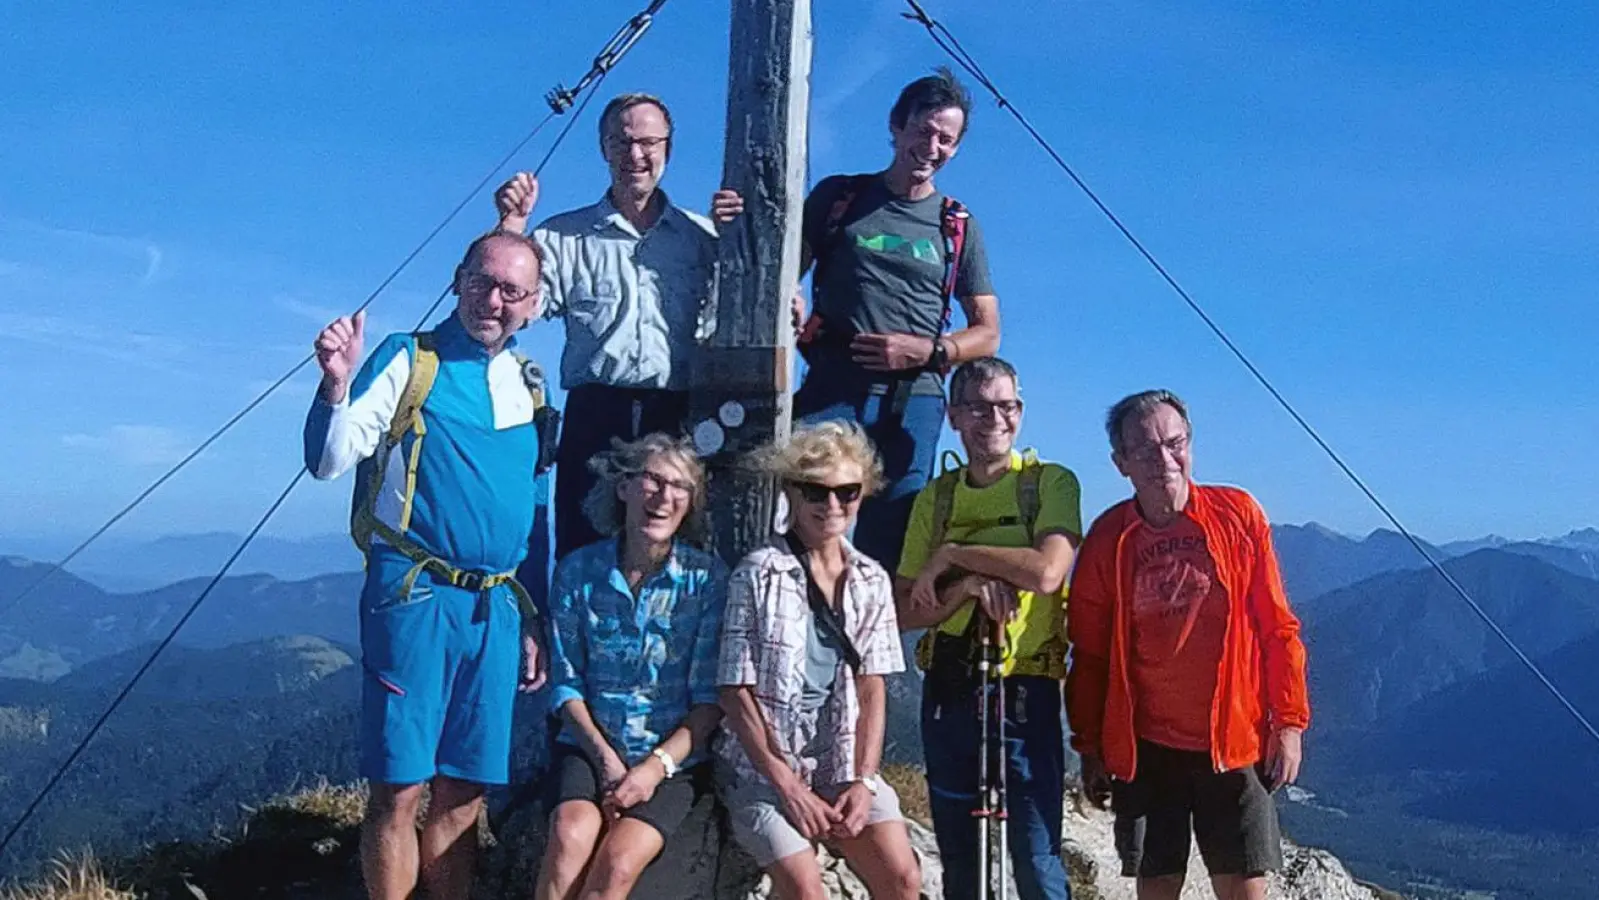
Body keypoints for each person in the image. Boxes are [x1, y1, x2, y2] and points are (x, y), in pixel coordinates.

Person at [303, 230, 552, 900]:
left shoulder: (530, 384)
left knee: (466, 791)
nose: (492, 301)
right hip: (414, 596)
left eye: (510, 291)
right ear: (456, 279)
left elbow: (534, 508)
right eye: (480, 281)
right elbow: (329, 461)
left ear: (533, 305)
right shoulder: (411, 359)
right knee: (400, 787)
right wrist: (334, 385)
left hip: (494, 607)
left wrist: (534, 615)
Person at [1066, 390, 1311, 900]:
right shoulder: (1109, 540)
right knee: (1157, 888)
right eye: (1146, 449)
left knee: (1245, 890)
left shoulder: (1237, 516)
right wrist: (1089, 747)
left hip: (1234, 740)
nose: (1164, 460)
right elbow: (1088, 655)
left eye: (1175, 443)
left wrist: (1288, 723)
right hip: (1148, 748)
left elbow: (1277, 628)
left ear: (1190, 447)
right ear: (1121, 463)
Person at [494, 92, 743, 559]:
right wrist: (511, 225)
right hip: (596, 416)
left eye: (648, 143)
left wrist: (744, 239)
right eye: (621, 142)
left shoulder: (703, 239)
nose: (635, 155)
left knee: (677, 555)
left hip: (677, 417)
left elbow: (749, 310)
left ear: (668, 149)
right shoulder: (559, 237)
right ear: (603, 149)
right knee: (582, 549)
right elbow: (509, 310)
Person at [792, 67, 1001, 574]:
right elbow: (781, 273)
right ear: (896, 126)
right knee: (802, 517)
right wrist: (790, 304)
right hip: (833, 385)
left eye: (946, 139)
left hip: (914, 401)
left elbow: (988, 332)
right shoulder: (840, 198)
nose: (932, 146)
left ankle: (876, 654)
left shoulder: (956, 225)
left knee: (893, 545)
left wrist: (927, 351)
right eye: (924, 131)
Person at [895, 357, 1082, 900]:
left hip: (1026, 685)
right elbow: (906, 609)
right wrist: (967, 588)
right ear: (954, 415)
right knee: (961, 856)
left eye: (1005, 406)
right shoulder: (938, 497)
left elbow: (1048, 571)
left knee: (1037, 853)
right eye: (977, 406)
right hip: (952, 681)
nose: (992, 419)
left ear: (1020, 413)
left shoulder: (1049, 483)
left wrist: (954, 554)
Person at [715, 422, 923, 900]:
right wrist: (788, 787)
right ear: (792, 490)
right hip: (763, 769)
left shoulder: (871, 580)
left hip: (840, 758)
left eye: (847, 492)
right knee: (807, 891)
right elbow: (735, 691)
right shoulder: (759, 572)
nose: (832, 505)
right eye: (817, 491)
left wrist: (864, 780)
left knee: (903, 878)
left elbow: (873, 687)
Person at [536, 434, 727, 900]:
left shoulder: (706, 581)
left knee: (618, 865)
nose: (664, 498)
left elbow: (709, 702)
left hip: (672, 762)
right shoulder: (578, 571)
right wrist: (606, 761)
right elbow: (566, 684)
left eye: (680, 487)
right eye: (653, 481)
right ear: (623, 488)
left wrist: (650, 770)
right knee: (569, 837)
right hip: (590, 746)